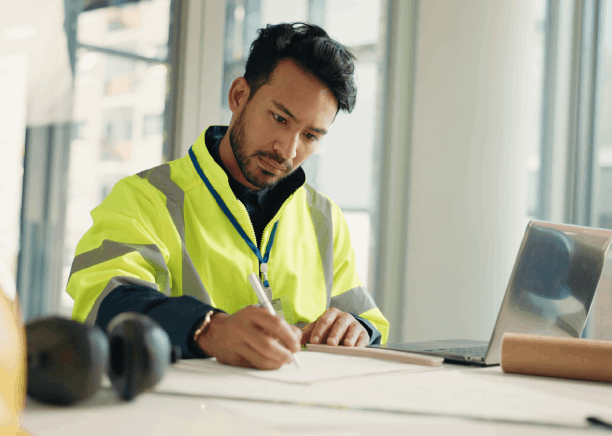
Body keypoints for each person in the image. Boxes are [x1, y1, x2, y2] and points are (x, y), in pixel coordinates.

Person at [66, 22, 389, 370]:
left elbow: (368, 320)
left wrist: (358, 328)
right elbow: (103, 302)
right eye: (279, 118)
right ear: (238, 96)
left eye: (310, 136)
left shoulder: (323, 217)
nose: (287, 150)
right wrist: (208, 330)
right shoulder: (144, 198)